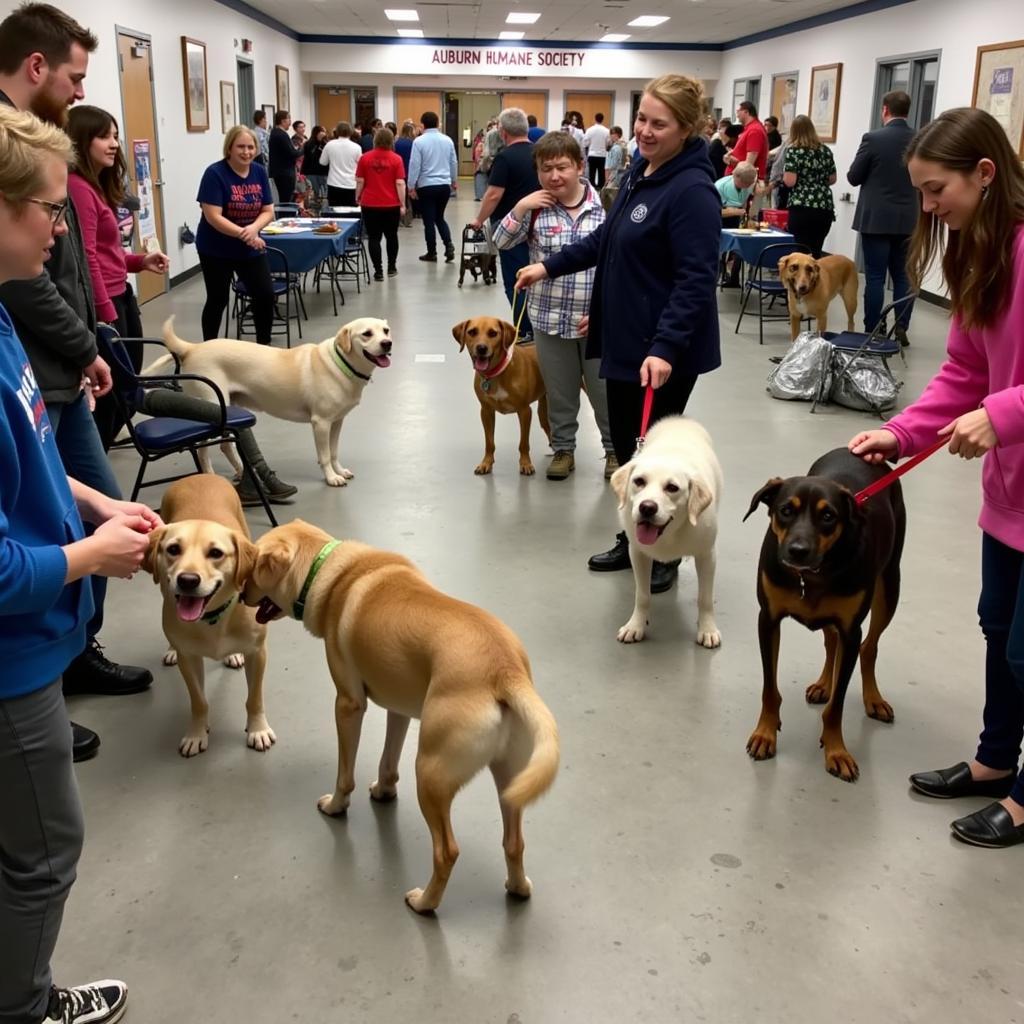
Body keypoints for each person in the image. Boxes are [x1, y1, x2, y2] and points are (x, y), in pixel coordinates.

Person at [0, 102, 160, 1024]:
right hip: (11, 655)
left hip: (36, 632)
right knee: (46, 854)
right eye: (47, 209)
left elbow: (25, 447)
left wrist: (89, 498)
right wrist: (85, 555)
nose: (63, 226)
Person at [848, 106, 1024, 850]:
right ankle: (992, 761)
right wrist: (899, 432)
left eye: (934, 189)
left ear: (984, 175)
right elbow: (962, 372)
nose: (927, 207)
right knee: (996, 629)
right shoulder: (978, 255)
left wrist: (1007, 412)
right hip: (1010, 496)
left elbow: (995, 393)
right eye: (919, 193)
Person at [0, 1, 153, 756]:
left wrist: (90, 336)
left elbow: (63, 268)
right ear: (37, 67)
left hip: (53, 365)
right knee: (47, 520)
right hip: (47, 368)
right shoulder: (16, 160)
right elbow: (32, 283)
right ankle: (39, 691)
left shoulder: (38, 155)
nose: (78, 88)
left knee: (79, 499)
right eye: (74, 75)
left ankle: (68, 660)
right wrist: (81, 341)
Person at [516, 74, 721, 593]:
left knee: (658, 454)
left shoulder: (691, 189)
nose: (646, 131)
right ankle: (636, 536)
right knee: (636, 454)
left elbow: (696, 278)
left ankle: (668, 553)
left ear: (686, 128)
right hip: (627, 339)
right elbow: (607, 239)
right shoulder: (640, 171)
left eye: (659, 123)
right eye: (642, 119)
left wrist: (666, 347)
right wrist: (549, 267)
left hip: (661, 351)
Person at [493, 131, 615, 481]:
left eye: (562, 167)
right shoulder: (536, 209)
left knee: (605, 393)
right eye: (546, 169)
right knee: (559, 393)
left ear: (580, 166)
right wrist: (519, 208)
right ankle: (563, 450)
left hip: (597, 322)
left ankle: (614, 451)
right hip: (548, 318)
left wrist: (606, 311)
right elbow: (499, 241)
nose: (554, 176)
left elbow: (620, 264)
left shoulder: (606, 207)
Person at [65, 105, 169, 450]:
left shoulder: (95, 187)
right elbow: (87, 258)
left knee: (126, 385)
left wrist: (140, 261)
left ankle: (104, 448)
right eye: (103, 136)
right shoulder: (78, 188)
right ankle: (98, 465)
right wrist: (105, 312)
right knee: (114, 392)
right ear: (81, 141)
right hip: (107, 305)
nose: (113, 144)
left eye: (115, 136)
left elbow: (107, 254)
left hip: (119, 295)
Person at [847, 89, 917, 343]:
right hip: (909, 219)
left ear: (885, 109)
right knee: (903, 275)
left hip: (875, 218)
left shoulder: (873, 139)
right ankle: (901, 327)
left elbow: (854, 177)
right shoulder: (920, 139)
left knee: (875, 276)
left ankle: (873, 327)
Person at [195, 125, 275, 345]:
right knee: (217, 299)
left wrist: (253, 229)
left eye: (251, 147)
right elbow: (213, 216)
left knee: (265, 295)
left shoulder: (259, 171)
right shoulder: (215, 173)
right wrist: (245, 232)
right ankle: (208, 348)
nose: (246, 152)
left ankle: (263, 347)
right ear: (229, 148)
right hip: (216, 248)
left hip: (249, 245)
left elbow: (268, 210)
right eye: (241, 146)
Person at [471, 107, 539, 338]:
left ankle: (524, 330)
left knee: (515, 281)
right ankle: (535, 326)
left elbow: (493, 194)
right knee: (536, 276)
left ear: (502, 131)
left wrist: (479, 220)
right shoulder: (540, 153)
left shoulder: (504, 157)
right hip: (538, 225)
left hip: (510, 228)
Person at [356, 126, 406, 281]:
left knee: (373, 237)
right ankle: (392, 267)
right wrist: (403, 204)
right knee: (392, 236)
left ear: (375, 140)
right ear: (391, 141)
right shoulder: (396, 159)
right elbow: (400, 183)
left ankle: (378, 271)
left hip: (370, 203)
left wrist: (358, 197)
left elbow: (360, 181)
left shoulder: (364, 158)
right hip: (391, 204)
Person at [783, 114, 837, 258]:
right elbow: (832, 179)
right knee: (816, 251)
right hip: (824, 206)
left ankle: (801, 280)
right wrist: (817, 180)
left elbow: (790, 181)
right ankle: (816, 280)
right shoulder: (825, 150)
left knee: (800, 252)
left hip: (801, 206)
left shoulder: (794, 151)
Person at [407, 110, 457, 263]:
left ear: (422, 125)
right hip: (443, 185)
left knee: (428, 220)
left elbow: (414, 165)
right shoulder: (447, 140)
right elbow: (453, 162)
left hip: (426, 186)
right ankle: (449, 245)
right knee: (439, 217)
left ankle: (432, 252)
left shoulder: (419, 142)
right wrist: (453, 180)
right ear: (437, 123)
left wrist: (411, 186)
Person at [716, 161, 758, 287]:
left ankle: (734, 278)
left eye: (748, 184)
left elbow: (746, 199)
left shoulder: (748, 183)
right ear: (735, 176)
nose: (746, 186)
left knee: (740, 248)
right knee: (720, 251)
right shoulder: (719, 187)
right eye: (744, 184)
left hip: (737, 220)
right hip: (720, 222)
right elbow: (713, 212)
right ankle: (719, 273)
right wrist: (734, 211)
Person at [319, 121, 362, 208]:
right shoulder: (356, 147)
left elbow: (323, 162)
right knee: (351, 212)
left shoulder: (330, 145)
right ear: (350, 132)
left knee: (334, 211)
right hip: (351, 184)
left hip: (334, 184)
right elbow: (360, 164)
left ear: (337, 131)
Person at [726, 100, 768, 181]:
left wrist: (733, 161)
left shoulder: (755, 130)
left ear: (746, 112)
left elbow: (748, 166)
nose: (737, 114)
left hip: (744, 181)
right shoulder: (749, 128)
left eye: (738, 111)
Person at [268, 108, 295, 203]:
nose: (290, 122)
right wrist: (303, 149)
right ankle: (286, 216)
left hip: (280, 172)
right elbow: (292, 153)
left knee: (284, 197)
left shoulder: (275, 132)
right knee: (286, 198)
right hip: (284, 173)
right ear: (283, 121)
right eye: (289, 119)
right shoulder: (281, 134)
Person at [301, 124, 328, 206]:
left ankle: (323, 207)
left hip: (323, 171)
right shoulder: (309, 144)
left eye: (324, 132)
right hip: (312, 172)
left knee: (325, 193)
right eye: (321, 132)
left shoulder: (326, 143)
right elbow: (312, 156)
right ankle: (314, 208)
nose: (324, 134)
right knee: (314, 193)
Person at [582, 112, 610, 188]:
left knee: (592, 173)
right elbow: (608, 143)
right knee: (601, 173)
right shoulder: (607, 131)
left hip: (592, 154)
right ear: (602, 119)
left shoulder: (590, 130)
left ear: (595, 119)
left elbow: (585, 143)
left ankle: (592, 187)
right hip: (602, 155)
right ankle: (600, 187)